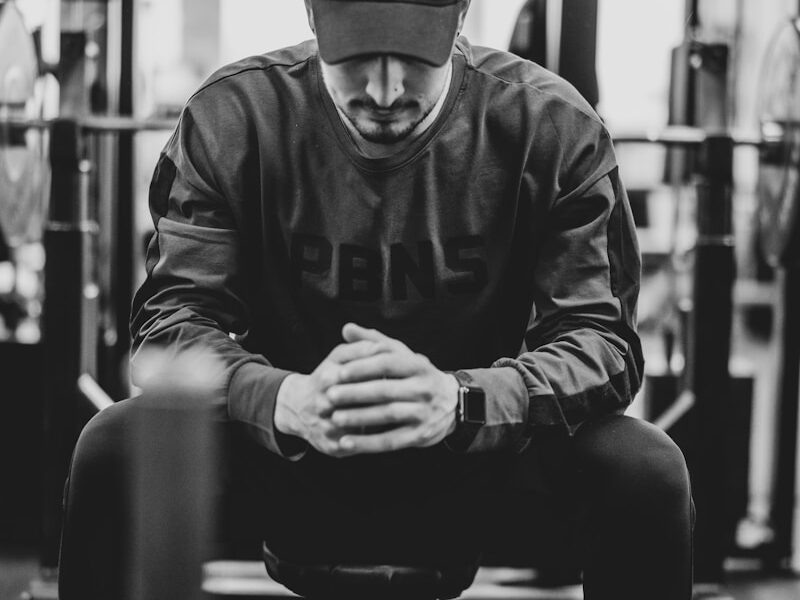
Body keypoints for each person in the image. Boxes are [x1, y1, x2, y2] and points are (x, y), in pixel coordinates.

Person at [58, 1, 694, 598]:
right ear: (312, 15)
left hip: (474, 457)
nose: (386, 90)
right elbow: (171, 323)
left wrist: (462, 401)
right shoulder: (232, 117)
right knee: (113, 449)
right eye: (356, 57)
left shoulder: (553, 127)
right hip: (288, 452)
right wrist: (282, 399)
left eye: (417, 57)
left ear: (460, 18)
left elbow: (602, 341)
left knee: (643, 470)